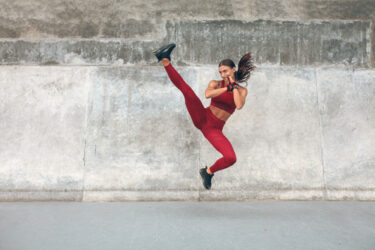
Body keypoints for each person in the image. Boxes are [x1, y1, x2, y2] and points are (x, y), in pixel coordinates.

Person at [153, 43, 255, 190]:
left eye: (225, 71)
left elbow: (238, 105)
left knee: (231, 158)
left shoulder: (242, 91)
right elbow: (208, 95)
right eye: (220, 72)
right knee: (187, 91)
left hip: (213, 129)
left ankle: (207, 172)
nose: (223, 75)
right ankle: (165, 60)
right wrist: (227, 87)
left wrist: (233, 88)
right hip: (203, 117)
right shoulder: (215, 83)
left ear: (233, 70)